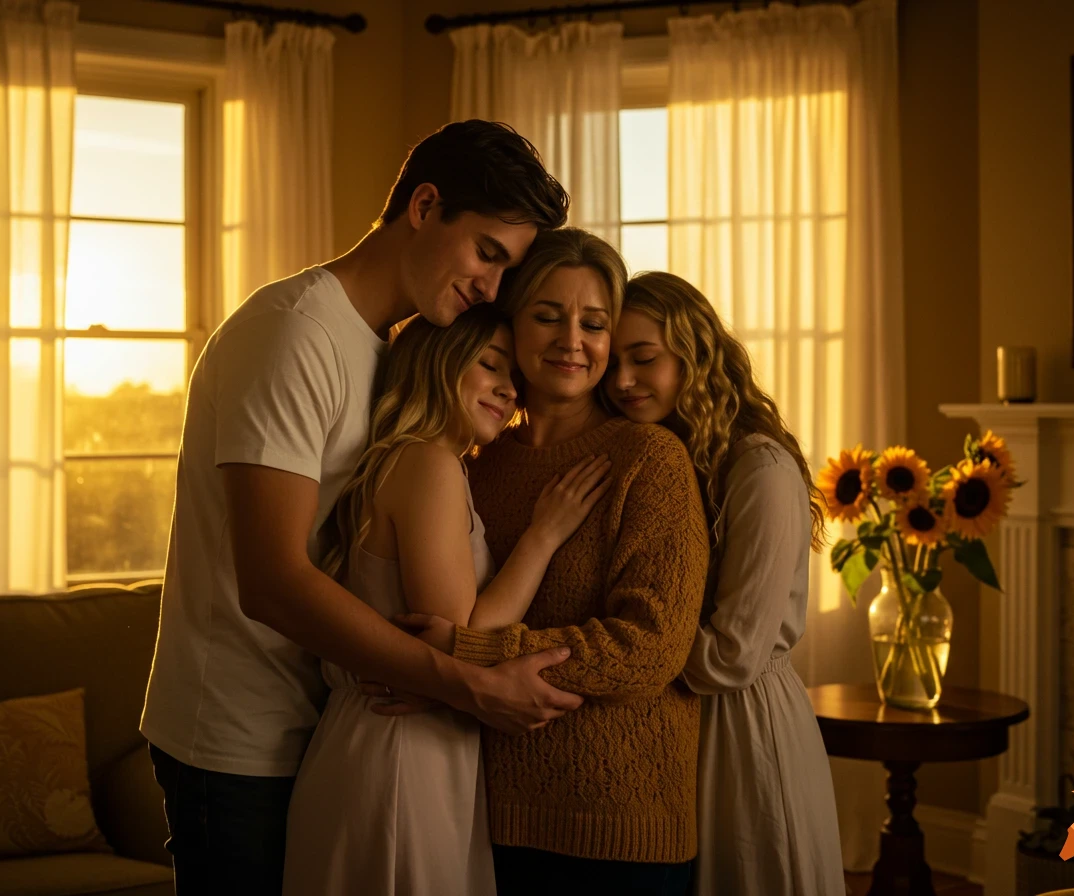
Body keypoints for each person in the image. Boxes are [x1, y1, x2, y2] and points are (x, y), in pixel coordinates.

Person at [140, 120, 581, 896]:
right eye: (487, 252)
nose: (490, 287)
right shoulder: (294, 334)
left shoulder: (386, 349)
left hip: (327, 721)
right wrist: (461, 681)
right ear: (424, 204)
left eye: (506, 271)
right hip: (237, 738)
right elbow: (271, 578)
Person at [389, 229, 710, 895]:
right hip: (484, 813)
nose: (572, 340)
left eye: (594, 323)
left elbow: (652, 648)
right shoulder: (477, 460)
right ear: (511, 322)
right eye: (547, 316)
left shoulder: (649, 460)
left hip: (619, 824)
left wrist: (470, 651)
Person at [282, 307, 611, 895]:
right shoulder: (428, 461)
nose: (509, 389)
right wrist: (544, 535)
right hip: (401, 753)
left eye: (515, 377)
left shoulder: (418, 460)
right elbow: (461, 635)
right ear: (437, 364)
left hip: (405, 738)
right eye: (489, 365)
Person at [605, 270, 845, 895]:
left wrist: (631, 639)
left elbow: (730, 657)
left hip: (744, 729)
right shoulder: (664, 456)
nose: (623, 381)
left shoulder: (758, 467)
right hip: (679, 725)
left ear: (695, 354)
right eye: (614, 362)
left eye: (644, 358)